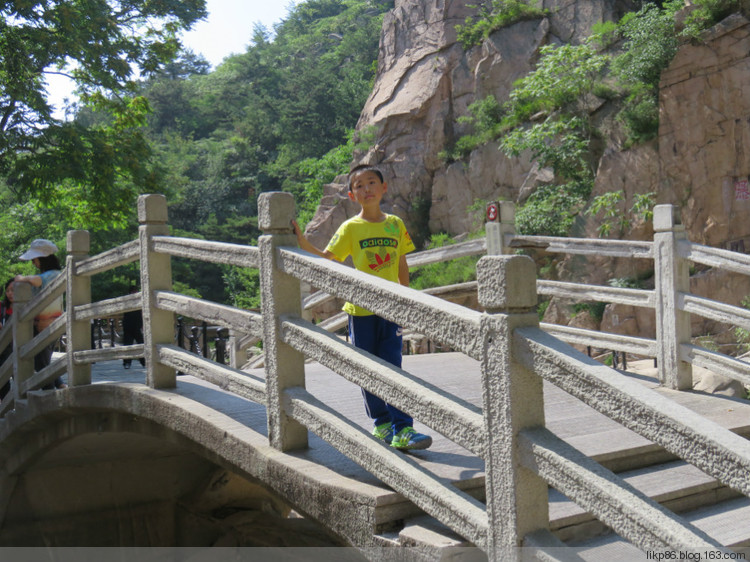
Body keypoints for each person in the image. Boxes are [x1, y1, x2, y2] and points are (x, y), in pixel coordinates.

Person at [293, 164, 432, 451]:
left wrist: (405, 298)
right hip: (360, 312)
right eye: (359, 185)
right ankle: (381, 422)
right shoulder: (350, 228)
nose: (366, 188)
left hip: (390, 309)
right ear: (352, 195)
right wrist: (302, 243)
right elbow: (330, 259)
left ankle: (403, 429)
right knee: (367, 369)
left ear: (384, 188)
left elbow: (402, 262)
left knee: (393, 369)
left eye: (372, 182)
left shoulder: (395, 224)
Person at [15, 239, 66, 389]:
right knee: (42, 360)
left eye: (34, 259)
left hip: (48, 323)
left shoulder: (53, 274)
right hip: (47, 323)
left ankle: (51, 392)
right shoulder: (55, 273)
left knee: (41, 361)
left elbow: (38, 281)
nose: (33, 263)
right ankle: (60, 385)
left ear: (42, 258)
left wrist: (21, 278)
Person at [122, 285, 145, 369]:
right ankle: (127, 362)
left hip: (137, 325)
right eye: (134, 291)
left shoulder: (140, 300)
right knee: (127, 345)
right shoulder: (126, 300)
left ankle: (144, 362)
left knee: (141, 343)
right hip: (128, 325)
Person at [0, 278, 15, 400]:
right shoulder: (2, 307)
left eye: (13, 290)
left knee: (19, 377)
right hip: (4, 348)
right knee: (3, 380)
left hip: (18, 347)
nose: (10, 293)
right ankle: (5, 408)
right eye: (8, 290)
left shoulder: (27, 307)